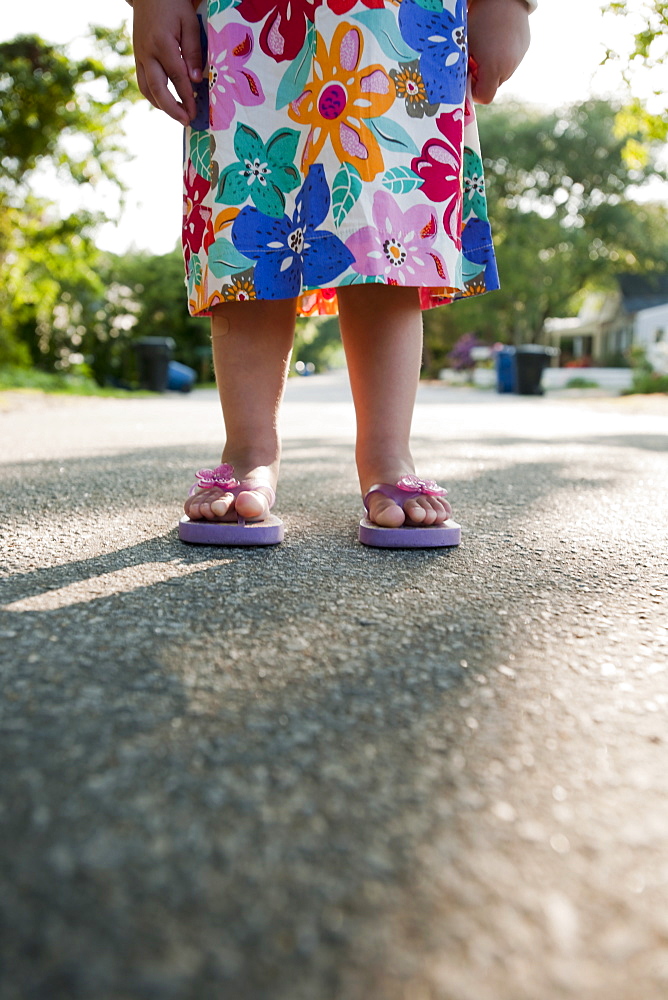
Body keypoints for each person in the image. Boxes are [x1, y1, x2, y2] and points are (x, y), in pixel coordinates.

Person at [129, 0, 534, 546]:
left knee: (385, 229)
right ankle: (248, 448)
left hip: (394, 17)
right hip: (246, 18)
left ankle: (388, 454)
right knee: (251, 217)